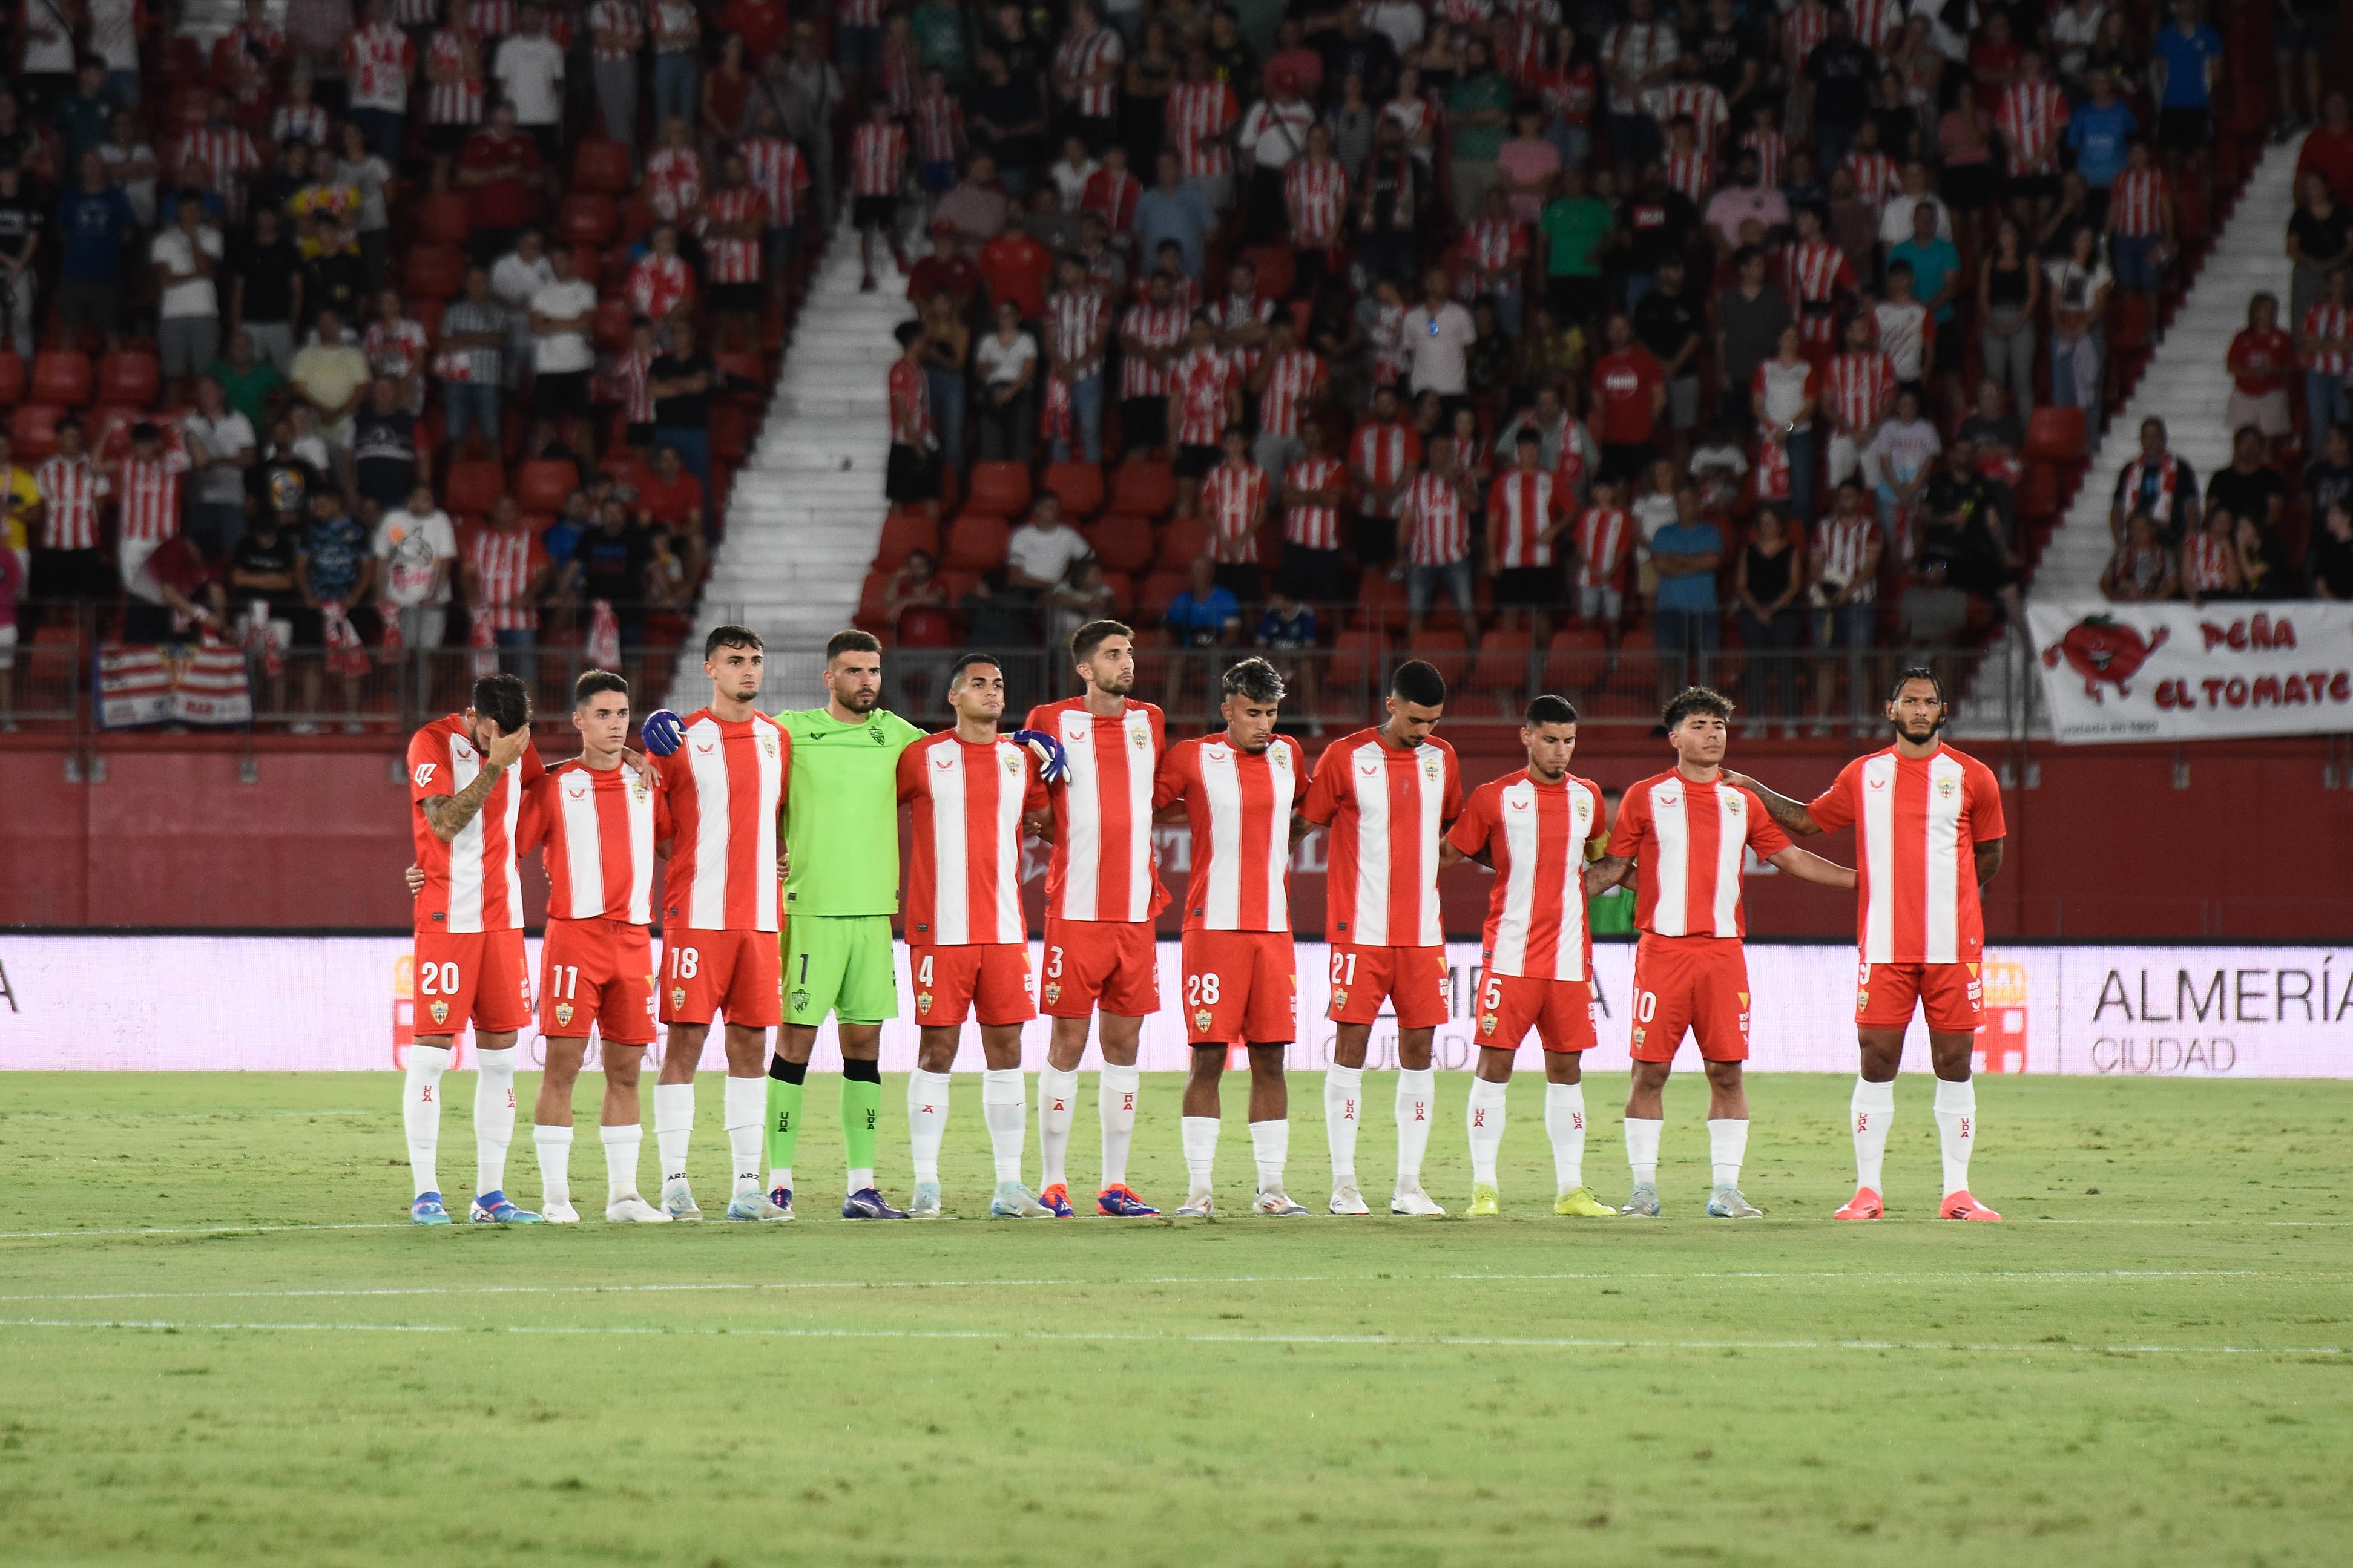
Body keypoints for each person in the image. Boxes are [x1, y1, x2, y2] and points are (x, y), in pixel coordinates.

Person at [1726, 668, 2007, 1222]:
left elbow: (1989, 855)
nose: (1920, 709)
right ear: (1890, 709)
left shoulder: (1973, 777)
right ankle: (1867, 1191)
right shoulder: (1864, 774)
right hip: (1883, 944)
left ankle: (1957, 1192)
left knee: (1954, 1062)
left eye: (1929, 701)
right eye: (1910, 701)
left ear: (1942, 711)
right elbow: (1808, 822)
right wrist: (1754, 789)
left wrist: (1951, 900)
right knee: (1876, 1059)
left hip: (1953, 946)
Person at [1581, 686, 1856, 1218]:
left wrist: (1862, 881)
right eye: (1701, 725)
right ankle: (1643, 1190)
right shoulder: (1646, 795)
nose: (1712, 735)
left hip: (1723, 955)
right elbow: (1615, 868)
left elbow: (1792, 857)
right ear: (1675, 736)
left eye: (1719, 727)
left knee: (1727, 1071)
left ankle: (1726, 1191)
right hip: (1661, 953)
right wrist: (1552, 890)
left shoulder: (1742, 801)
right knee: (1650, 1071)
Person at [759, 631, 931, 1219]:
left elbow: (966, 752)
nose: (866, 681)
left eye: (874, 670)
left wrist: (1028, 743)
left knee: (864, 1046)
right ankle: (778, 1181)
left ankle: (862, 1186)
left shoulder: (898, 734)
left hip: (872, 915)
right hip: (810, 912)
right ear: (829, 678)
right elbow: (732, 752)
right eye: (854, 671)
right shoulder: (790, 730)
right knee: (795, 1043)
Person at [626, 628, 795, 1222]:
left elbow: (777, 822)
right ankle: (674, 1181)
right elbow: (651, 821)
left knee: (751, 1045)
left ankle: (747, 1186)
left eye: (754, 660)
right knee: (686, 1042)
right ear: (709, 669)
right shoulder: (679, 738)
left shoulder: (778, 738)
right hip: (696, 916)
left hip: (760, 919)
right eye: (735, 661)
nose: (747, 670)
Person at [890, 652, 1059, 1218]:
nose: (992, 691)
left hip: (1005, 929)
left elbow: (1048, 824)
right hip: (939, 929)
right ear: (954, 696)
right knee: (936, 1051)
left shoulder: (1020, 761)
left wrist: (1066, 771)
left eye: (999, 684)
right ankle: (926, 1184)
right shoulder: (922, 757)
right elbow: (870, 812)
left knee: (1007, 1052)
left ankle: (1009, 1186)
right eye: (980, 684)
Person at [1438, 694, 1617, 1216]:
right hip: (1510, 954)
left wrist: (1583, 890)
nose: (1560, 751)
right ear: (1527, 737)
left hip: (1567, 958)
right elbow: (1449, 854)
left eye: (1568, 741)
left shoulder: (1588, 798)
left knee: (1567, 1068)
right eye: (1550, 739)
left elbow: (1604, 861)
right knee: (1495, 1064)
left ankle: (1570, 1190)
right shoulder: (1495, 797)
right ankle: (1484, 1188)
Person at [1297, 660, 1461, 1215]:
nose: (1424, 731)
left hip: (1422, 934)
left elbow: (1454, 833)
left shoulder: (1444, 760)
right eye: (1416, 719)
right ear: (1390, 704)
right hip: (1359, 931)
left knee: (1420, 1054)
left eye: (1434, 721)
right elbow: (1308, 821)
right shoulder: (1346, 756)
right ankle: (1344, 1183)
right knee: (1350, 1051)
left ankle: (1408, 1185)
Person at [1017, 622, 1168, 1216]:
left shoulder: (1149, 719)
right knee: (1068, 1040)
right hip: (1075, 909)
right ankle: (1053, 1180)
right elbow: (1028, 791)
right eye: (1112, 654)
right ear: (1084, 668)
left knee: (1124, 1043)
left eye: (1128, 651)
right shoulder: (1048, 719)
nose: (1125, 661)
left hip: (1134, 910)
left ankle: (1114, 1183)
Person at [1151, 657, 1310, 1216]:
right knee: (1208, 1058)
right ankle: (1199, 1191)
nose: (1262, 724)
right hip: (1211, 928)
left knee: (1272, 1058)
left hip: (1273, 930)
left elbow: (1303, 815)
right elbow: (1142, 804)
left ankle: (1272, 1189)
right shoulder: (1192, 756)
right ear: (1227, 711)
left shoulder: (1290, 755)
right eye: (1251, 713)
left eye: (1270, 713)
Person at [509, 672, 670, 1224]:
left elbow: (675, 842)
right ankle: (555, 1198)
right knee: (562, 1067)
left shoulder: (647, 783)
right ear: (578, 721)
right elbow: (509, 847)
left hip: (633, 940)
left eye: (622, 714)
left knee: (627, 1070)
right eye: (602, 714)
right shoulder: (555, 785)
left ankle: (624, 1195)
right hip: (574, 940)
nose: (614, 723)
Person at [400, 674, 548, 1225]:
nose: (509, 743)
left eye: (516, 734)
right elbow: (440, 823)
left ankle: (490, 1195)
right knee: (434, 1054)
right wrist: (493, 766)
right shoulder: (431, 743)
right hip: (447, 919)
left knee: (501, 1060)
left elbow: (542, 786)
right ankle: (426, 1192)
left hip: (504, 921)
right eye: (497, 734)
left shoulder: (516, 742)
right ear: (476, 716)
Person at [1486, 428, 1569, 642]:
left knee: (1541, 616)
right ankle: (1512, 668)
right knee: (1510, 614)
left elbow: (1573, 511)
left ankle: (1543, 668)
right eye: (1524, 448)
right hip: (1510, 558)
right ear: (1517, 451)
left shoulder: (1552, 479)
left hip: (1542, 558)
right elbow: (1493, 520)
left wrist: (1555, 529)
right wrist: (1492, 556)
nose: (1529, 452)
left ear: (1539, 450)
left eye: (1533, 448)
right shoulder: (1503, 482)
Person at [1395, 433, 1478, 639]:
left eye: (1447, 451)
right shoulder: (1417, 483)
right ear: (1429, 454)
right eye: (1437, 451)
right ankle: (1411, 663)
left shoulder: (1465, 479)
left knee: (1467, 611)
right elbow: (1406, 522)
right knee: (1415, 614)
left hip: (1456, 557)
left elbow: (1475, 506)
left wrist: (1455, 482)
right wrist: (1400, 556)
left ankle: (1478, 663)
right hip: (1422, 558)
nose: (1442, 455)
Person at [2109, 417, 2200, 545]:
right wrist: (2120, 543)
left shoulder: (2180, 468)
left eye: (2155, 437)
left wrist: (2188, 543)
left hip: (2170, 541)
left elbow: (2192, 509)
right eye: (2146, 437)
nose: (2151, 442)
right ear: (2141, 440)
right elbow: (2117, 509)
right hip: (2135, 541)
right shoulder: (2129, 470)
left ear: (2164, 438)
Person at [2225, 294, 2299, 452]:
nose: (2269, 313)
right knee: (2242, 440)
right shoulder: (2242, 337)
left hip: (2271, 393)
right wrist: (2251, 372)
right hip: (2245, 393)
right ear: (2256, 312)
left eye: (2272, 309)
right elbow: (2231, 365)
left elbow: (2291, 366)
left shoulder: (2282, 338)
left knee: (2268, 443)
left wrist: (2275, 369)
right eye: (2265, 309)